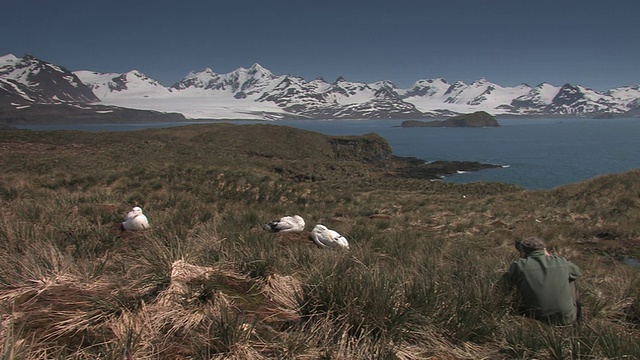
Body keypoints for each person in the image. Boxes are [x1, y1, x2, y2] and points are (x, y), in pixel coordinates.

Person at [505, 236, 582, 325]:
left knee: (516, 282)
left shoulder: (518, 265)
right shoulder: (561, 262)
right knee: (571, 279)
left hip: (533, 319)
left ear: (523, 252)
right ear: (544, 250)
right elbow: (577, 272)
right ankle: (577, 321)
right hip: (565, 319)